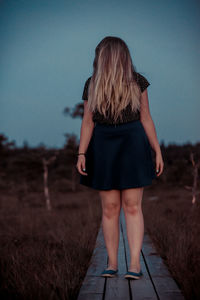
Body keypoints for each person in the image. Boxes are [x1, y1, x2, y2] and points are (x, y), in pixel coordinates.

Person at [76, 36, 164, 280]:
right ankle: (112, 263)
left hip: (133, 144)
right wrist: (81, 153)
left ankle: (134, 265)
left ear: (107, 56)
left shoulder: (138, 82)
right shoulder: (91, 84)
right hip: (103, 147)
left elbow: (146, 117)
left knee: (133, 207)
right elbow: (87, 122)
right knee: (110, 208)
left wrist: (157, 150)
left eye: (98, 54)